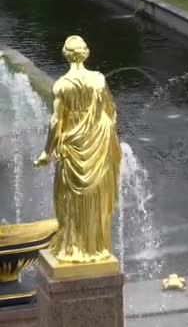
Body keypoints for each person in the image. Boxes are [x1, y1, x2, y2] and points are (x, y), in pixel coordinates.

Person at [34, 36, 121, 263]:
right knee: (96, 197)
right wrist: (106, 128)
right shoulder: (99, 80)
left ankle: (72, 245)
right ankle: (95, 247)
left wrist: (46, 151)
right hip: (98, 142)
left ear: (65, 54)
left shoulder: (61, 85)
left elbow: (55, 121)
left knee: (69, 198)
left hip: (72, 146)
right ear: (86, 53)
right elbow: (110, 110)